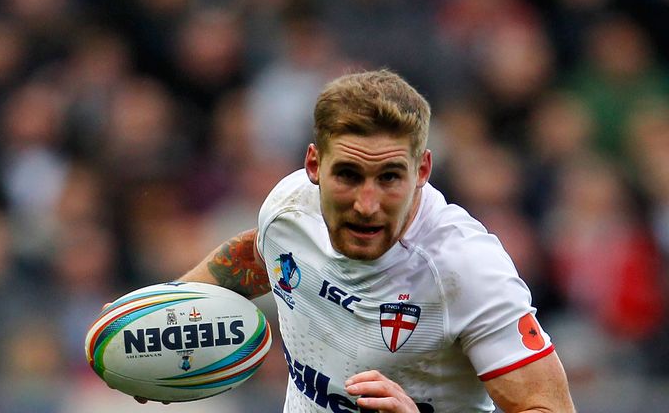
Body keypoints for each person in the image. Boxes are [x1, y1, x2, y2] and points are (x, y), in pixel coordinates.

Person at [146, 69, 575, 412]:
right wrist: (155, 315)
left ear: (422, 171)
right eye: (348, 176)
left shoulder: (466, 268)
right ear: (314, 164)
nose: (367, 205)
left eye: (389, 177)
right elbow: (258, 255)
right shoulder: (291, 208)